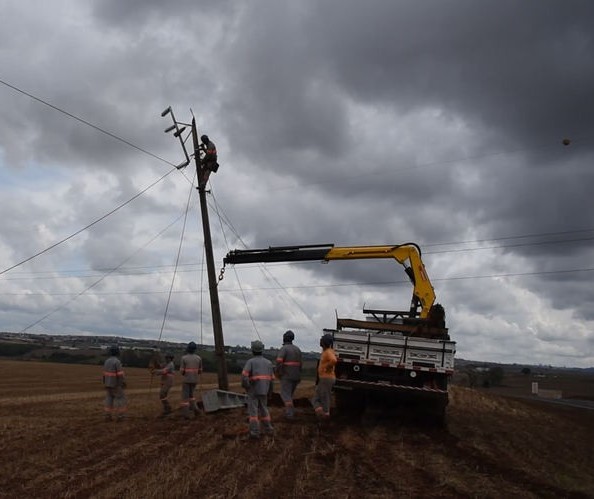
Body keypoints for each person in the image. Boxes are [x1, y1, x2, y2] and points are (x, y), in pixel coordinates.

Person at [241, 340, 274, 439]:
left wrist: (247, 386)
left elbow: (244, 377)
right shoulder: (268, 363)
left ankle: (254, 432)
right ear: (262, 349)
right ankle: (269, 429)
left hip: (253, 390)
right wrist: (270, 391)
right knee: (264, 410)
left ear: (252, 350)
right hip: (264, 390)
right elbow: (271, 379)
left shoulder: (250, 362)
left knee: (253, 413)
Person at [275, 330, 302, 419]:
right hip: (296, 376)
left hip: (287, 376)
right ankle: (289, 412)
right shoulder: (297, 349)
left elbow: (279, 361)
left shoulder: (284, 349)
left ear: (284, 338)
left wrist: (277, 372)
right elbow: (300, 364)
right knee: (289, 395)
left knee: (285, 395)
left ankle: (290, 414)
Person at [312, 333, 337, 419]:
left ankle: (325, 415)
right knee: (316, 399)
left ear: (324, 342)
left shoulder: (328, 352)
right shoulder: (326, 351)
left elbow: (333, 360)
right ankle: (322, 414)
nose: (320, 341)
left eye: (321, 340)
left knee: (323, 398)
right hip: (325, 378)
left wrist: (326, 367)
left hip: (326, 378)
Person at [102, 345, 127, 421]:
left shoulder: (107, 361)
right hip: (116, 384)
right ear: (117, 352)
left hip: (107, 384)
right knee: (120, 399)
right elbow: (120, 374)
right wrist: (122, 383)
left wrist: (105, 383)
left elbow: (104, 374)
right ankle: (120, 416)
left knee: (109, 399)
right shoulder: (117, 361)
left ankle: (107, 416)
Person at [180, 342, 202, 420]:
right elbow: (200, 371)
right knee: (191, 396)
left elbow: (182, 371)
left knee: (185, 398)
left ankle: (186, 414)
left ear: (188, 349)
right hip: (195, 380)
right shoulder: (199, 358)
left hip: (186, 380)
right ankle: (196, 410)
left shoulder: (184, 358)